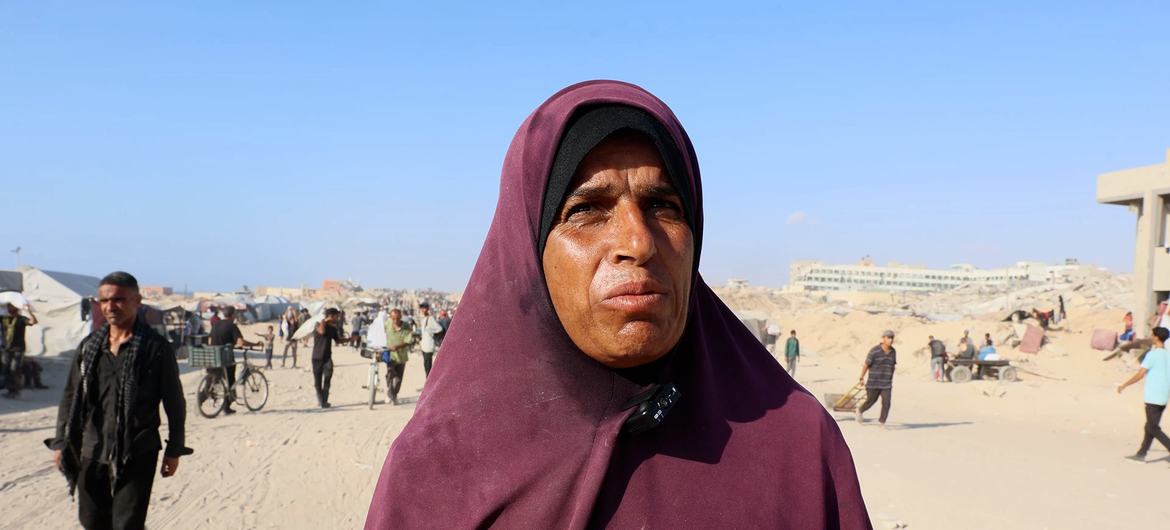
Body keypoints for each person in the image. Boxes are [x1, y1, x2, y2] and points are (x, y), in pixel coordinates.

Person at [365, 81, 869, 528]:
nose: (639, 242)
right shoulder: (441, 469)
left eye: (663, 206)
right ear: (528, 252)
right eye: (587, 209)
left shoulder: (798, 446)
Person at [45, 271, 193, 529]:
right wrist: (61, 442)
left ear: (137, 301)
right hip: (92, 448)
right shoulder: (90, 347)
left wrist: (174, 449)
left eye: (118, 300)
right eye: (104, 301)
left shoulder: (155, 347)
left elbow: (174, 401)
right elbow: (70, 395)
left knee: (127, 524)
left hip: (138, 450)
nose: (110, 307)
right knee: (91, 521)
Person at [1117, 327, 1170, 461]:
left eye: (1152, 335)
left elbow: (1140, 374)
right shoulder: (1168, 355)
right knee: (1149, 426)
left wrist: (1124, 385)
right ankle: (1142, 453)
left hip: (1153, 396)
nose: (1151, 337)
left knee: (1153, 428)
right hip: (1164, 396)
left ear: (1156, 337)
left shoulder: (1152, 355)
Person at [207, 306, 263, 415]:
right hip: (225, 359)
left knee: (215, 376)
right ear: (233, 315)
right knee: (230, 378)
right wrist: (255, 344)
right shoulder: (232, 326)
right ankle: (227, 406)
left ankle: (202, 398)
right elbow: (241, 342)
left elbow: (209, 341)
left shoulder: (216, 324)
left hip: (213, 357)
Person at [857, 330, 897, 427]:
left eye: (892, 338)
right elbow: (866, 364)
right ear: (883, 338)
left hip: (886, 383)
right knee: (871, 400)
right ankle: (860, 410)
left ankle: (882, 422)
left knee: (887, 403)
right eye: (888, 338)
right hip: (873, 382)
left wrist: (890, 375)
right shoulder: (875, 350)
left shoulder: (893, 352)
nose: (890, 340)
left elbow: (893, 365)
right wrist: (861, 377)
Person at [311, 308, 346, 408]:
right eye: (336, 316)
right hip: (316, 357)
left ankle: (324, 401)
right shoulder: (318, 324)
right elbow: (321, 332)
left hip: (327, 358)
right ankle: (321, 400)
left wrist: (349, 339)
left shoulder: (333, 328)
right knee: (317, 382)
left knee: (327, 378)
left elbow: (338, 341)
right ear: (331, 315)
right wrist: (324, 321)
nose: (338, 318)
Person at [3, 302, 38, 398]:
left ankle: (16, 389)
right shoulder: (4, 319)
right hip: (7, 348)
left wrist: (28, 311)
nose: (10, 308)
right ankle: (10, 390)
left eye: (12, 306)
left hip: (18, 348)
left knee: (14, 369)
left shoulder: (21, 319)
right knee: (7, 369)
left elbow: (33, 322)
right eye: (9, 306)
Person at [383, 308, 413, 405]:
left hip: (401, 357)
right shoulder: (387, 324)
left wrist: (398, 346)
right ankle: (391, 394)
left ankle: (393, 394)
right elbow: (380, 332)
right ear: (391, 318)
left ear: (400, 317)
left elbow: (408, 341)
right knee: (390, 374)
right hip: (390, 356)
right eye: (393, 318)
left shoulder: (406, 326)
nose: (395, 321)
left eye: (397, 318)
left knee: (398, 379)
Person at [414, 302, 443, 378]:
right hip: (424, 345)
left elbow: (439, 329)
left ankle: (428, 384)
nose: (423, 310)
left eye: (425, 308)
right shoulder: (425, 318)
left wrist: (432, 333)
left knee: (428, 367)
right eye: (422, 308)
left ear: (427, 309)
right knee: (426, 366)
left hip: (429, 346)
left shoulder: (430, 319)